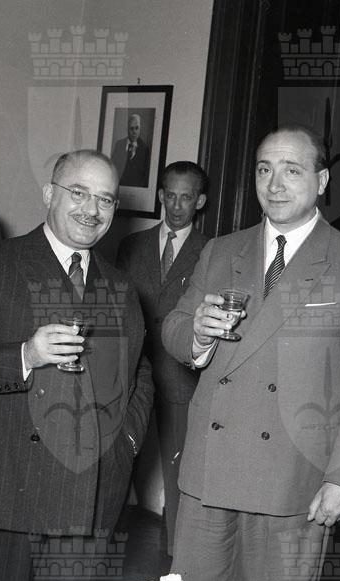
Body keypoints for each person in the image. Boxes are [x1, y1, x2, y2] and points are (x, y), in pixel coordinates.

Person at [162, 125, 340, 581]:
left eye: (292, 170)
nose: (275, 184)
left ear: (322, 181)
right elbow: (173, 327)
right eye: (265, 169)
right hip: (209, 476)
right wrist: (196, 333)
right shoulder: (221, 251)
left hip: (293, 485)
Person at [0, 149, 153, 581]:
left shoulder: (123, 286)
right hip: (0, 493)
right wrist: (26, 354)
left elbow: (140, 374)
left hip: (87, 498)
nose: (92, 209)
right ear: (49, 194)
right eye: (78, 193)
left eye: (105, 199)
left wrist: (125, 442)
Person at [117, 160, 209, 554]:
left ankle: (175, 560)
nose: (176, 206)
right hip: (131, 373)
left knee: (178, 471)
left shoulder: (212, 252)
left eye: (186, 198)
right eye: (170, 196)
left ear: (199, 201)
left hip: (180, 377)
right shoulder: (132, 245)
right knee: (119, 460)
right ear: (160, 196)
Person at [111, 113, 151, 187]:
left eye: (137, 128)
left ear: (140, 129)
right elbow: (113, 168)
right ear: (127, 129)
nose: (134, 132)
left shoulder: (145, 149)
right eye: (131, 128)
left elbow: (145, 177)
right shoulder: (119, 144)